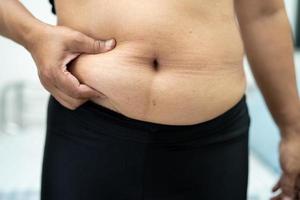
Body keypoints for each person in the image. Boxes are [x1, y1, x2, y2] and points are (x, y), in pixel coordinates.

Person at [0, 0, 300, 199]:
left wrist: (293, 132)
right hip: (91, 128)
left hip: (213, 140)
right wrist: (32, 35)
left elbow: (263, 11)